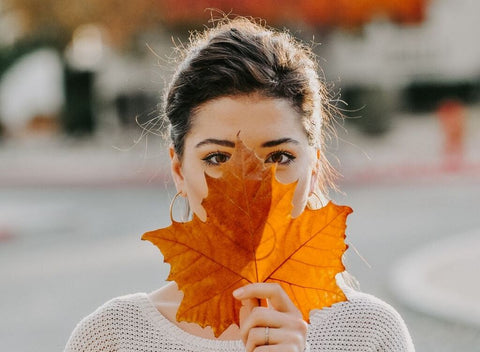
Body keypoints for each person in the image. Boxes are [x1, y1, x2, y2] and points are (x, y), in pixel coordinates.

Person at [65, 17, 414, 352]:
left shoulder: (370, 333)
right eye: (217, 158)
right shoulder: (113, 337)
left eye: (279, 157)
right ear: (178, 170)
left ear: (315, 168)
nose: (250, 185)